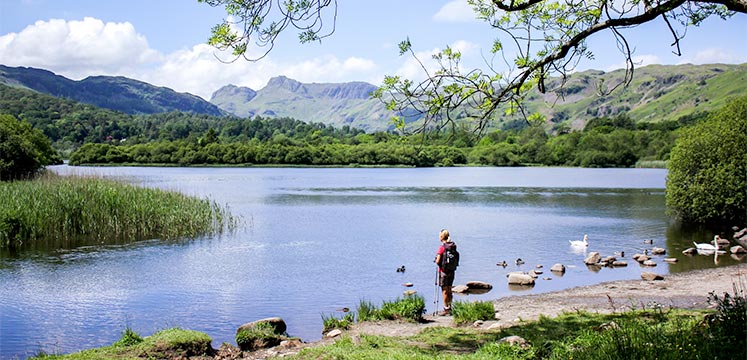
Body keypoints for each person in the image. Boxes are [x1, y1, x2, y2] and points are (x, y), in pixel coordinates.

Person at [434, 228, 456, 316]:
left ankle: (446, 308)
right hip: (452, 270)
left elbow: (437, 261)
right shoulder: (453, 247)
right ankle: (450, 306)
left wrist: (436, 260)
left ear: (441, 237)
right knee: (450, 289)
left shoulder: (442, 248)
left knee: (444, 290)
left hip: (443, 271)